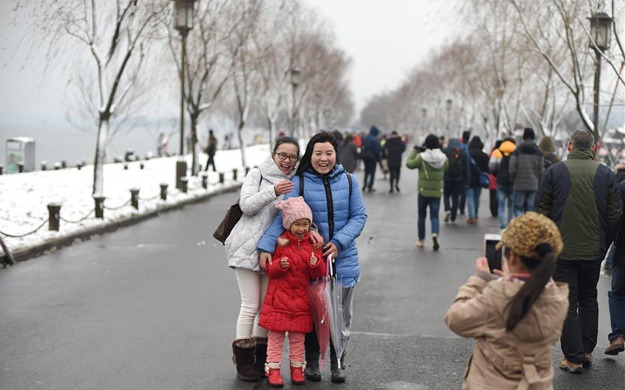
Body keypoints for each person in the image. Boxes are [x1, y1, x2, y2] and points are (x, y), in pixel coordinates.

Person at [257, 131, 367, 383]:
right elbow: (281, 219)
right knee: (312, 315)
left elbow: (359, 216)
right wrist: (265, 247)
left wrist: (338, 242)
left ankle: (338, 361)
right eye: (318, 153)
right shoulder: (300, 182)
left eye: (328, 153)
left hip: (344, 261)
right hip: (309, 263)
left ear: (336, 154)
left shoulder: (349, 181)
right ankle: (312, 361)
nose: (323, 158)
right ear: (311, 155)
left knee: (341, 316)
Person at [444, 212, 569, 389]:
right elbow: (532, 288)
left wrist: (479, 279)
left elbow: (455, 319)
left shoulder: (498, 296)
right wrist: (513, 281)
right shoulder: (558, 298)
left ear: (512, 257)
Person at [534, 130, 622, 373]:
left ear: (570, 145)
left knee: (567, 301)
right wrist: (604, 241)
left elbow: (539, 210)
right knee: (588, 298)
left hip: (562, 249)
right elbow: (615, 214)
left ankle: (572, 357)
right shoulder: (606, 174)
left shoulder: (554, 172)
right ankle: (585, 350)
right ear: (593, 148)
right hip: (594, 250)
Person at [224, 136, 302, 382]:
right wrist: (272, 191)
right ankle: (243, 360)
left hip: (273, 251)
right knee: (250, 304)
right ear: (273, 154)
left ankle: (260, 359)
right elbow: (247, 206)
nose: (287, 161)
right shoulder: (256, 174)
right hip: (245, 248)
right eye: (283, 155)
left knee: (266, 308)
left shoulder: (295, 181)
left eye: (292, 157)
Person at [259, 196, 327, 387]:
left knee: (298, 339)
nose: (301, 229)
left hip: (301, 302)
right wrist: (279, 265)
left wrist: (316, 265)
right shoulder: (281, 242)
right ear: (288, 224)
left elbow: (319, 272)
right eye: (297, 224)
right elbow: (270, 270)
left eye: (305, 224)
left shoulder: (313, 244)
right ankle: (273, 369)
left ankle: (297, 369)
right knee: (276, 339)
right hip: (279, 301)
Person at [406, 134, 449, 250]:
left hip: (423, 191)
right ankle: (435, 233)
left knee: (421, 215)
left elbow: (409, 164)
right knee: (434, 215)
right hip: (436, 192)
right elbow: (447, 168)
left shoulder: (421, 157)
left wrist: (415, 151)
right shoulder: (444, 157)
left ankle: (421, 240)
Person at [605, 177, 625, 356]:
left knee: (618, 294)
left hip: (624, 253)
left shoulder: (623, 187)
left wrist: (606, 243)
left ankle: (618, 336)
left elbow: (615, 218)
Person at [510, 128, 544, 217]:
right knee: (530, 210)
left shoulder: (517, 150)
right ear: (533, 137)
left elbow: (512, 167)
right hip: (533, 185)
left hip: (519, 184)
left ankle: (519, 228)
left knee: (517, 208)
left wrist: (513, 178)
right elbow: (541, 170)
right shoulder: (539, 152)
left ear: (524, 137)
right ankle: (528, 228)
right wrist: (538, 182)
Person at [489, 137, 516, 231]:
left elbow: (491, 167)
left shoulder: (497, 152)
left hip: (500, 182)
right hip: (512, 183)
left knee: (501, 205)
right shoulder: (516, 152)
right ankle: (509, 225)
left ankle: (503, 226)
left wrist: (497, 175)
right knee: (511, 205)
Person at [443, 137, 469, 223]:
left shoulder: (445, 151)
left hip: (447, 178)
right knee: (455, 197)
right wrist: (466, 181)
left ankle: (447, 209)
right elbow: (465, 168)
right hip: (459, 179)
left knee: (446, 194)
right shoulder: (463, 152)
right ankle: (453, 216)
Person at [466, 136, 489, 225]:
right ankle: (475, 214)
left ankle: (472, 216)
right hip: (479, 180)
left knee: (470, 198)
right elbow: (487, 169)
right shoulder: (484, 155)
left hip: (469, 179)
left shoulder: (468, 154)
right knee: (477, 198)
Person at [361, 125, 382, 193]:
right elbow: (377, 149)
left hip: (365, 157)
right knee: (372, 172)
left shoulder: (365, 138)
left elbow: (362, 146)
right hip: (372, 157)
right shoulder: (375, 139)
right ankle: (370, 186)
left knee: (366, 171)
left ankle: (364, 184)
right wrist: (379, 159)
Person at [488, 140, 503, 218]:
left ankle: (493, 210)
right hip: (501, 179)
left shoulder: (494, 153)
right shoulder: (504, 153)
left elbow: (490, 165)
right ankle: (497, 210)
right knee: (499, 196)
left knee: (492, 196)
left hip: (493, 178)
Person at [458, 130, 472, 215]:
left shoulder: (459, 146)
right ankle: (462, 208)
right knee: (464, 192)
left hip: (458, 170)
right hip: (465, 171)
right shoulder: (469, 147)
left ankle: (456, 205)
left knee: (456, 191)